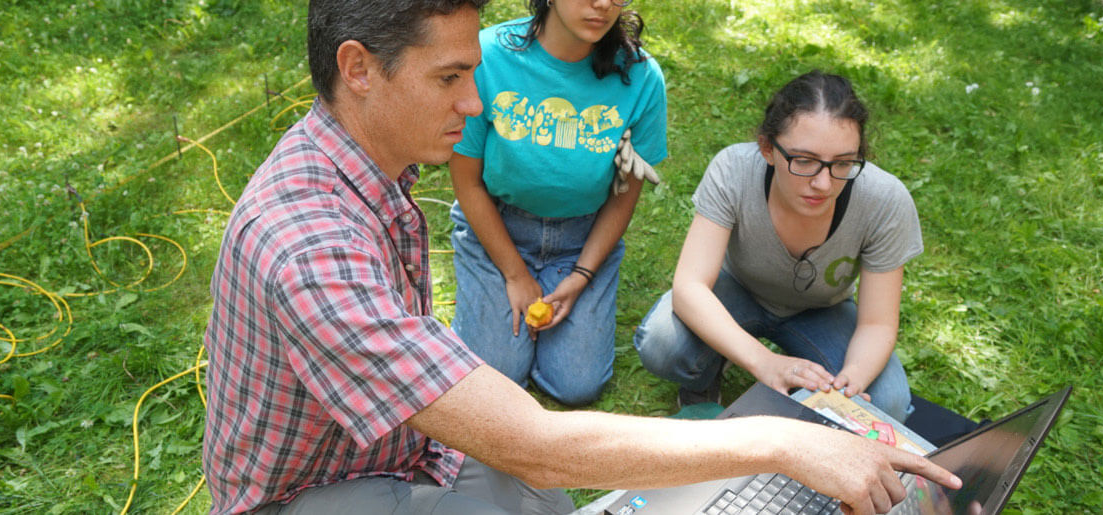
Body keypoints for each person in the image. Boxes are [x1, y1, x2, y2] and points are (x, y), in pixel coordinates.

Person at [203, 2, 960, 514]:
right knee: (538, 461)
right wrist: (785, 441)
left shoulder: (363, 167)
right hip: (314, 489)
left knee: (546, 490)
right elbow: (535, 439)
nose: (474, 104)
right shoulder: (308, 246)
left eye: (471, 73)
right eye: (449, 78)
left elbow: (530, 448)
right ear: (359, 69)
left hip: (389, 445)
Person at [635, 70, 920, 421]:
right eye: (804, 160)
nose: (823, 183)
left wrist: (851, 383)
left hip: (822, 310)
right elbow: (690, 287)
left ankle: (811, 403)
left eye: (843, 163)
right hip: (737, 289)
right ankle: (711, 369)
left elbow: (877, 323)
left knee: (887, 401)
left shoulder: (885, 201)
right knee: (662, 344)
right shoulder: (734, 170)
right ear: (767, 148)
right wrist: (763, 362)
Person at [447, 0, 667, 406]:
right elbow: (467, 183)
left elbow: (623, 199)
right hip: (497, 228)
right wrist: (514, 274)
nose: (603, 4)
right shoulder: (489, 56)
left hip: (580, 240)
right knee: (496, 379)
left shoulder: (640, 75)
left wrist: (582, 275)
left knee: (577, 385)